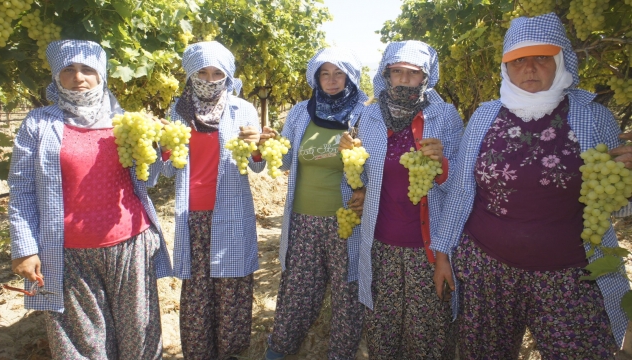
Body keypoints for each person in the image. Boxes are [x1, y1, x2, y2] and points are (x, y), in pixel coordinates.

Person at [432, 13, 630, 358]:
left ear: (560, 61)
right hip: (486, 270)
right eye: (518, 60)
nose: (530, 68)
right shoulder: (485, 115)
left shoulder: (593, 117)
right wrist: (443, 254)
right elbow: (463, 190)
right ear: (505, 69)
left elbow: (618, 203)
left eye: (542, 57)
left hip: (571, 277)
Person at [8, 40, 173, 359]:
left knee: (139, 337)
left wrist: (161, 147)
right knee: (80, 345)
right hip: (68, 254)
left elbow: (148, 177)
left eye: (88, 69)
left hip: (130, 246)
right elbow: (21, 189)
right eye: (68, 69)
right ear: (56, 77)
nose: (78, 76)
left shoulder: (124, 122)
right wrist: (25, 248)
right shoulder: (38, 124)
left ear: (102, 75)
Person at [340, 40, 463, 359]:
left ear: (425, 77)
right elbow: (363, 179)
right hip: (380, 248)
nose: (404, 79)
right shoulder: (369, 117)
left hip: (428, 251)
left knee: (429, 338)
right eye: (397, 72)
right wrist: (353, 168)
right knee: (383, 335)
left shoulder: (445, 116)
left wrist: (442, 168)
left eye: (412, 73)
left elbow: (460, 190)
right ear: (387, 75)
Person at [148, 41, 268, 360]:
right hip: (194, 217)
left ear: (227, 75)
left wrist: (256, 147)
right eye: (202, 71)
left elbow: (256, 165)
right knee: (197, 294)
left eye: (217, 73)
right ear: (191, 73)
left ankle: (230, 353)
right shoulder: (179, 110)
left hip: (230, 212)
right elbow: (170, 170)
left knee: (231, 291)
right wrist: (164, 146)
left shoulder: (242, 109)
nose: (210, 78)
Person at [264, 48, 368, 360]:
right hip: (303, 220)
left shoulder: (365, 113)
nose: (332, 80)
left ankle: (341, 353)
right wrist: (267, 144)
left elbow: (374, 163)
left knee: (347, 295)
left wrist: (364, 189)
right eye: (325, 73)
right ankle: (278, 349)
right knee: (297, 291)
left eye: (339, 73)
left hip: (347, 223)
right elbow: (284, 160)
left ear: (350, 76)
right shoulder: (300, 112)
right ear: (316, 78)